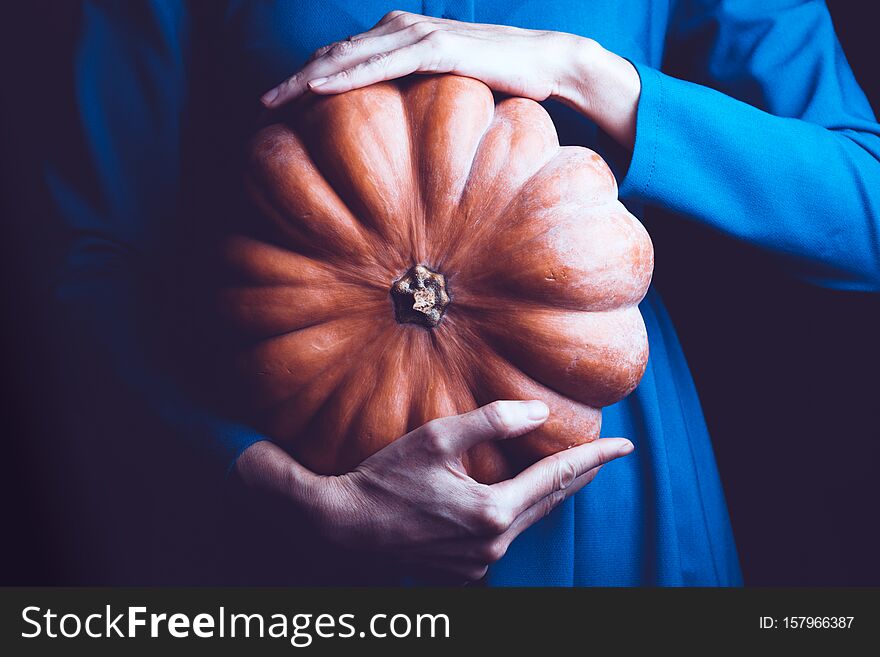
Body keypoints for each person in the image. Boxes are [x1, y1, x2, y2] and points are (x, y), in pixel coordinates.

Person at [48, 1, 880, 586]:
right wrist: (274, 487)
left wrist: (584, 73)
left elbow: (864, 200)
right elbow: (83, 260)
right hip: (293, 514)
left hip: (610, 508)